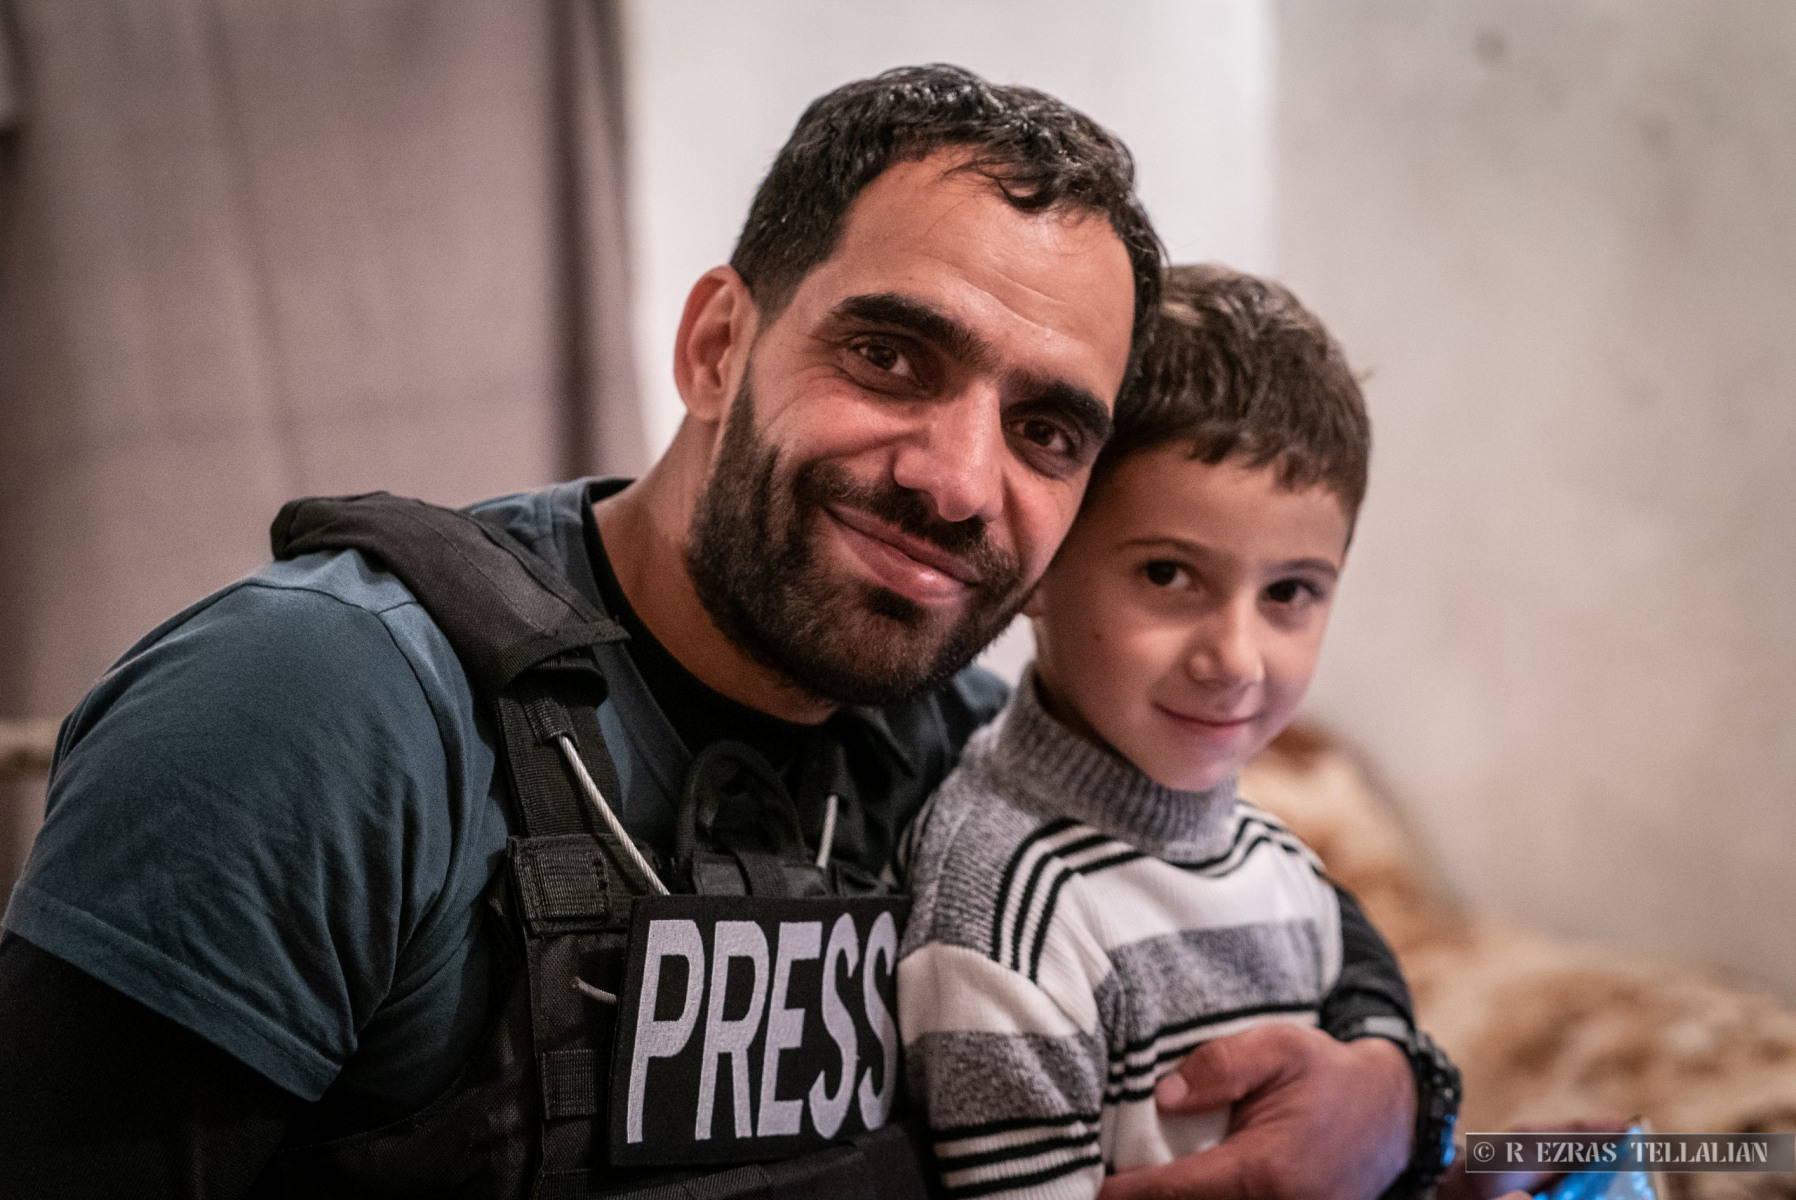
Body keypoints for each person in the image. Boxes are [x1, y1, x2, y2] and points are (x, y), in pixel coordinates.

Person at [0, 67, 1435, 1198]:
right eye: (890, 355)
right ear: (714, 347)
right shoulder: (319, 716)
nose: (956, 480)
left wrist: (1398, 1093)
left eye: (1045, 431)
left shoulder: (959, 753)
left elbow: (1276, 898)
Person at [897, 264, 1455, 1199]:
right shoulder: (1008, 910)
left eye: (1290, 592)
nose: (1236, 658)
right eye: (1167, 575)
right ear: (1037, 566)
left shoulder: (1279, 865)